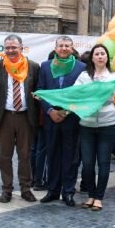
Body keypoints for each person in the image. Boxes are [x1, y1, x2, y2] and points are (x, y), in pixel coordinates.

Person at [74, 44, 115, 211]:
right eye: (97, 54)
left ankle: (99, 198)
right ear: (92, 58)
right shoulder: (84, 76)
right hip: (86, 126)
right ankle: (91, 195)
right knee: (87, 163)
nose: (100, 56)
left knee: (104, 162)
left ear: (107, 58)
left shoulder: (113, 77)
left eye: (103, 54)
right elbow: (74, 95)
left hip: (108, 125)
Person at [0, 34, 40, 204]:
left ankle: (26, 188)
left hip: (25, 117)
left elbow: (37, 93)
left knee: (25, 155)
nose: (10, 51)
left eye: (14, 47)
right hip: (5, 117)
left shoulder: (33, 67)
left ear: (21, 48)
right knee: (5, 156)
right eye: (7, 47)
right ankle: (6, 189)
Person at [37, 36, 86, 207]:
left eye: (67, 46)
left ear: (72, 49)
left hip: (71, 119)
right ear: (55, 48)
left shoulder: (81, 68)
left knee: (70, 157)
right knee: (52, 155)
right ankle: (53, 190)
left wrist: (65, 112)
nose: (64, 48)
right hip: (51, 119)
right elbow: (41, 91)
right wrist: (50, 111)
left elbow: (81, 94)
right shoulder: (45, 66)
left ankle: (68, 191)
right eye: (61, 45)